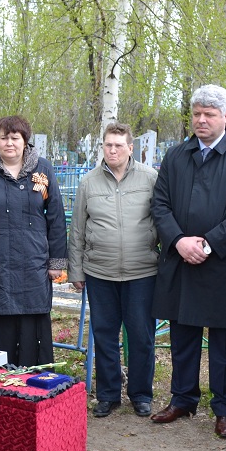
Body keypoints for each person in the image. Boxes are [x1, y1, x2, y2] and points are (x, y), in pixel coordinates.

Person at [149, 84, 226, 439]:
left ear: (225, 117)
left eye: (209, 114)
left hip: (222, 265)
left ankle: (225, 409)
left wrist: (209, 244)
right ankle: (182, 399)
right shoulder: (176, 155)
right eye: (197, 113)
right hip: (181, 261)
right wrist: (180, 241)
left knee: (225, 344)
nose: (201, 119)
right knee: (183, 336)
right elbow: (160, 204)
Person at [67, 122, 159, 418]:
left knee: (141, 336)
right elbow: (78, 229)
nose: (113, 150)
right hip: (100, 273)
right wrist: (76, 271)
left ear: (131, 148)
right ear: (102, 147)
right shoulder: (89, 183)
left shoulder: (150, 178)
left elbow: (161, 221)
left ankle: (141, 394)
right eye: (108, 145)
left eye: (119, 145)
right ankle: (108, 395)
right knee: (104, 335)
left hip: (141, 271)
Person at [0, 115, 67, 366]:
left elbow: (56, 218)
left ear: (25, 141)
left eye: (15, 138)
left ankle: (32, 385)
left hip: (33, 263)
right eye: (4, 138)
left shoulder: (43, 169)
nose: (9, 143)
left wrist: (56, 262)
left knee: (31, 324)